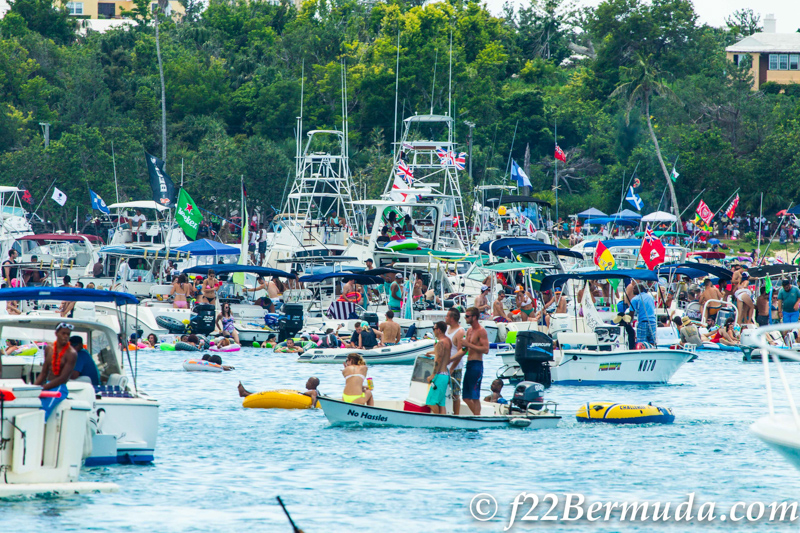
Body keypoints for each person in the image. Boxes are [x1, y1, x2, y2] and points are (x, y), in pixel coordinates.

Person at [34, 323, 78, 419]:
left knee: (43, 410)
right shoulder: (49, 349)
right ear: (56, 333)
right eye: (63, 333)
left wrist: (43, 388)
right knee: (33, 405)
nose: (65, 336)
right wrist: (33, 389)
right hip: (47, 385)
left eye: (68, 334)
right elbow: (43, 373)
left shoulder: (71, 353)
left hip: (59, 388)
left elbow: (63, 378)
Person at [460, 307, 489, 416]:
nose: (465, 318)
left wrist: (468, 344)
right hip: (469, 364)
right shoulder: (469, 331)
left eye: (467, 316)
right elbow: (465, 349)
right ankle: (477, 415)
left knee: (475, 396)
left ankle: (477, 417)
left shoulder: (481, 331)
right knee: (466, 397)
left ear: (474, 317)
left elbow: (486, 349)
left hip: (477, 365)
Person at [424, 321, 452, 414]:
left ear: (439, 330)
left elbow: (438, 360)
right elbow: (443, 354)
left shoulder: (440, 343)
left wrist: (432, 375)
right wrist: (432, 352)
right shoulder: (448, 340)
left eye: (434, 329)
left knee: (430, 402)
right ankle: (443, 421)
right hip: (445, 375)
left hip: (439, 375)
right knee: (441, 403)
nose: (433, 331)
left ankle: (437, 419)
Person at [238, 377, 320, 406]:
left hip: (299, 400)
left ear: (311, 384)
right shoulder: (313, 390)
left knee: (270, 395)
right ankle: (247, 393)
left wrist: (313, 406)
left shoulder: (313, 391)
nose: (306, 383)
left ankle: (245, 394)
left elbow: (314, 395)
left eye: (308, 381)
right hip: (297, 395)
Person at [445, 308, 465, 415]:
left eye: (447, 316)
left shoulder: (460, 332)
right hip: (444, 367)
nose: (445, 318)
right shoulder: (447, 329)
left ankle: (456, 414)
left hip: (455, 367)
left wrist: (452, 367)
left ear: (452, 318)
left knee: (455, 393)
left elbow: (460, 352)